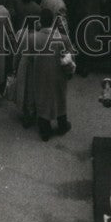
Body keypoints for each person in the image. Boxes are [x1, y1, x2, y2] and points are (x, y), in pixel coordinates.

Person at [29, 8, 74, 141]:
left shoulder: (32, 37)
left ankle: (45, 131)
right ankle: (62, 125)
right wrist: (69, 73)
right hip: (58, 76)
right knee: (59, 99)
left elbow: (30, 58)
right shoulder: (63, 39)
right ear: (53, 21)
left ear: (40, 22)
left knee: (42, 99)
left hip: (40, 75)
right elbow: (69, 58)